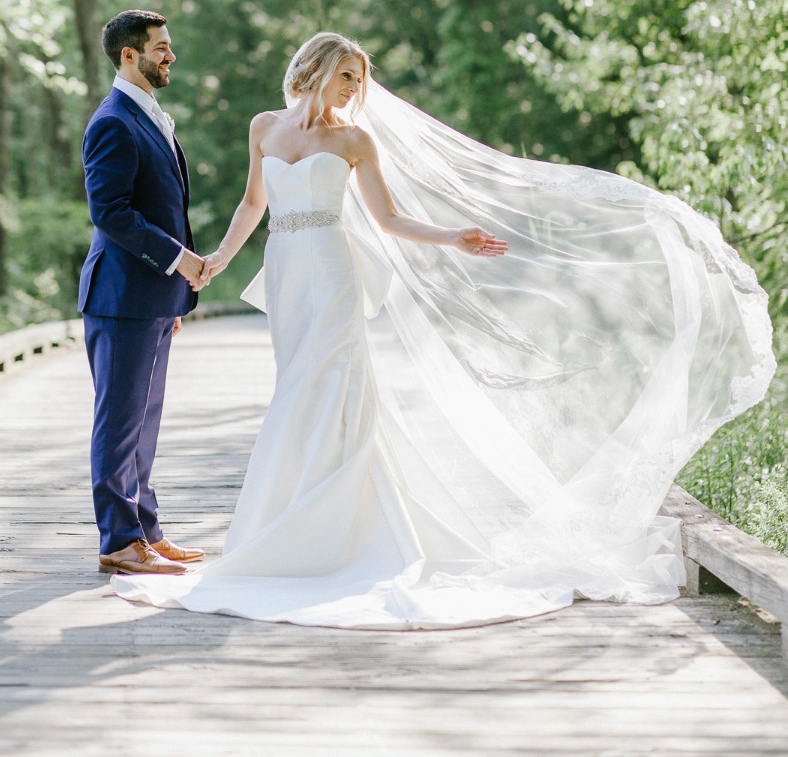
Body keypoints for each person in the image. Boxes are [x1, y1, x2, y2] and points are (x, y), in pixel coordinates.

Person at [110, 31, 774, 629]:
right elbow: (253, 204)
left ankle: (336, 531)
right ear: (313, 70)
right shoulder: (265, 128)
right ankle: (284, 524)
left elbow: (390, 219)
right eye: (346, 76)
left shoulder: (354, 140)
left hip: (335, 269)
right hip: (286, 270)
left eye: (359, 81)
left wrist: (452, 237)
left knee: (334, 382)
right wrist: (219, 260)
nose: (354, 90)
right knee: (294, 387)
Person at [79, 9, 207, 575]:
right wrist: (179, 261)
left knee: (145, 420)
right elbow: (110, 213)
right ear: (129, 55)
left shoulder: (150, 115)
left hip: (150, 297)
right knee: (119, 418)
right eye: (161, 48)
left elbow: (165, 204)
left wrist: (172, 293)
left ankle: (145, 532)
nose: (170, 56)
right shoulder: (112, 121)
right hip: (120, 295)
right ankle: (117, 541)